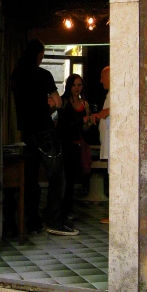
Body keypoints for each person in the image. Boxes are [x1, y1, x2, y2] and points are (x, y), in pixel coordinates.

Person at [11, 39, 79, 236]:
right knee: (58, 176)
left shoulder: (16, 75)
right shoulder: (43, 75)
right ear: (39, 55)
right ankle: (54, 220)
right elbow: (58, 102)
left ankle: (31, 221)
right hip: (44, 132)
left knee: (30, 178)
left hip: (26, 133)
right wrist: (48, 105)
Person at [57, 74, 91, 220]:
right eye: (74, 85)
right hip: (64, 144)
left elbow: (86, 129)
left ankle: (68, 209)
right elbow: (61, 123)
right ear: (69, 86)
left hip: (77, 144)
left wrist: (86, 123)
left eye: (80, 85)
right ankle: (60, 210)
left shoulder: (85, 104)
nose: (77, 88)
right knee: (62, 178)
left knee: (71, 178)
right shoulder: (63, 101)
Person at [93, 65, 110, 222]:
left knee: (114, 176)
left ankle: (114, 213)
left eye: (103, 77)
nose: (101, 81)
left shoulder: (116, 94)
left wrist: (104, 113)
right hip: (108, 142)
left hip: (113, 144)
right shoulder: (109, 94)